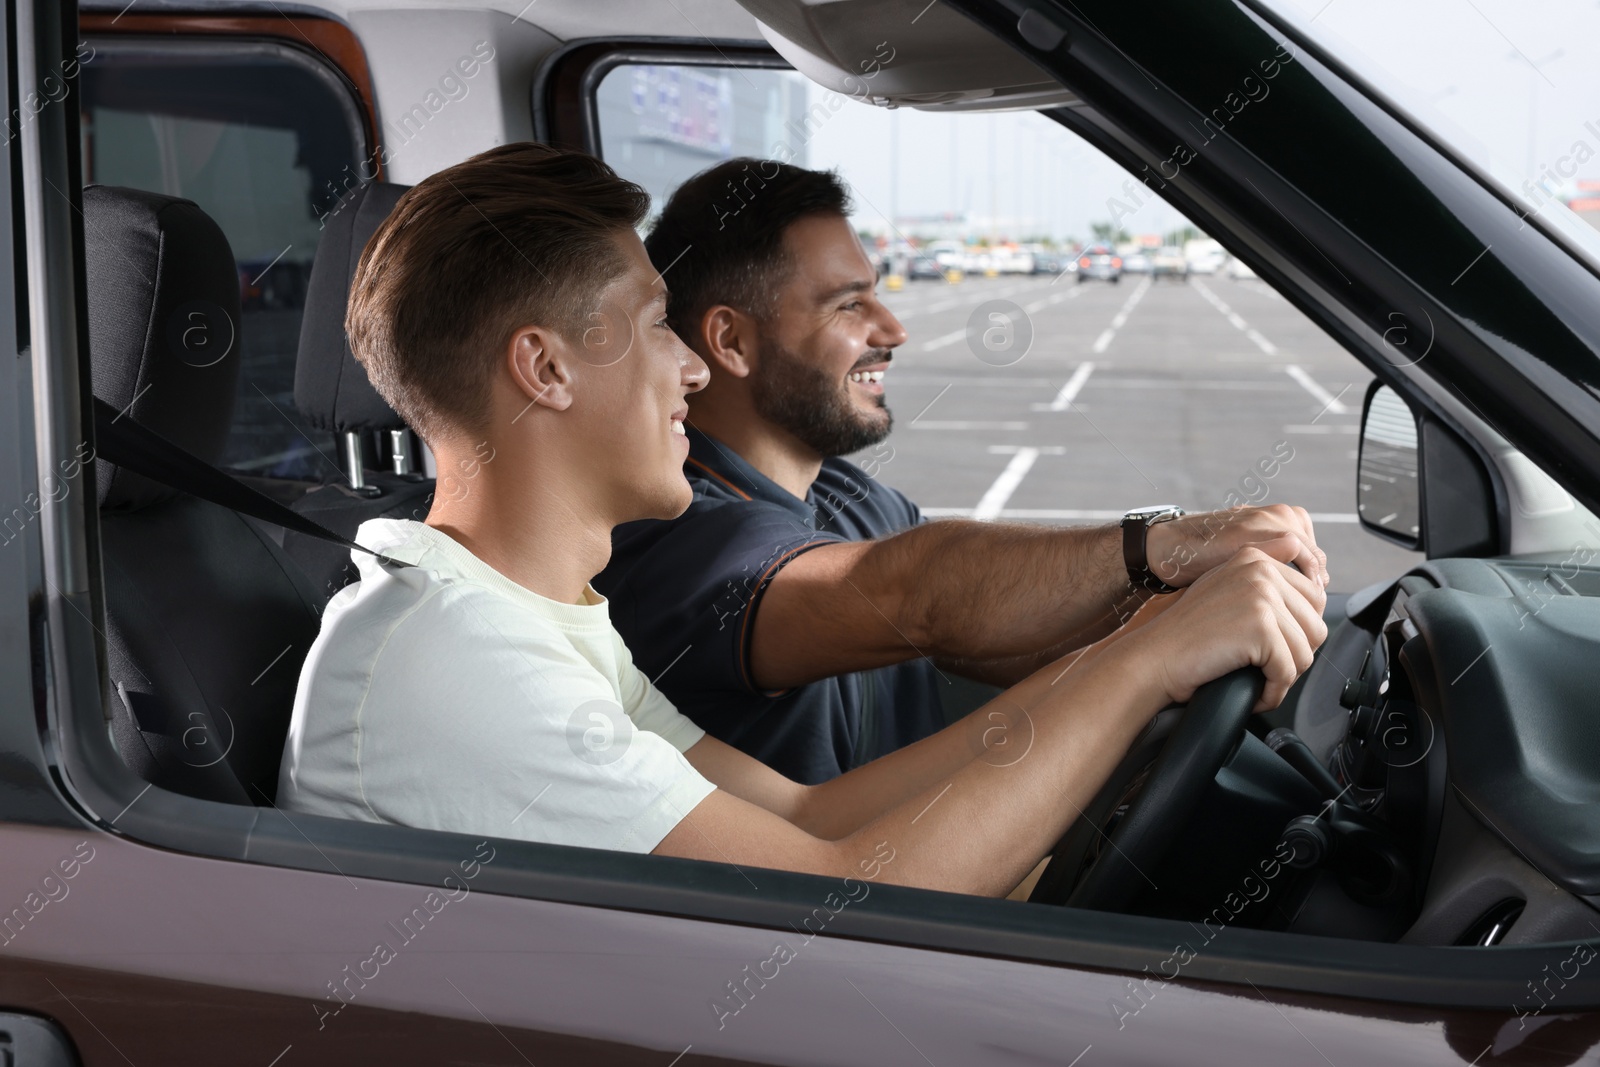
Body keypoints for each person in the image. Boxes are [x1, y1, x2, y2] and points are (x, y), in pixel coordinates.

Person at [278, 142, 1327, 899]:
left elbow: (810, 817)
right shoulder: (448, 659)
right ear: (545, 367)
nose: (690, 364)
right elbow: (846, 902)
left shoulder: (526, 621)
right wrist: (1144, 661)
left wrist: (1142, 644)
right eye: (654, 326)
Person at [595, 158, 1330, 784]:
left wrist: (1181, 611)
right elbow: (913, 593)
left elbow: (987, 629)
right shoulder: (671, 535)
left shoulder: (847, 499)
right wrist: (1158, 545)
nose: (893, 330)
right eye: (850, 305)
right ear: (730, 339)